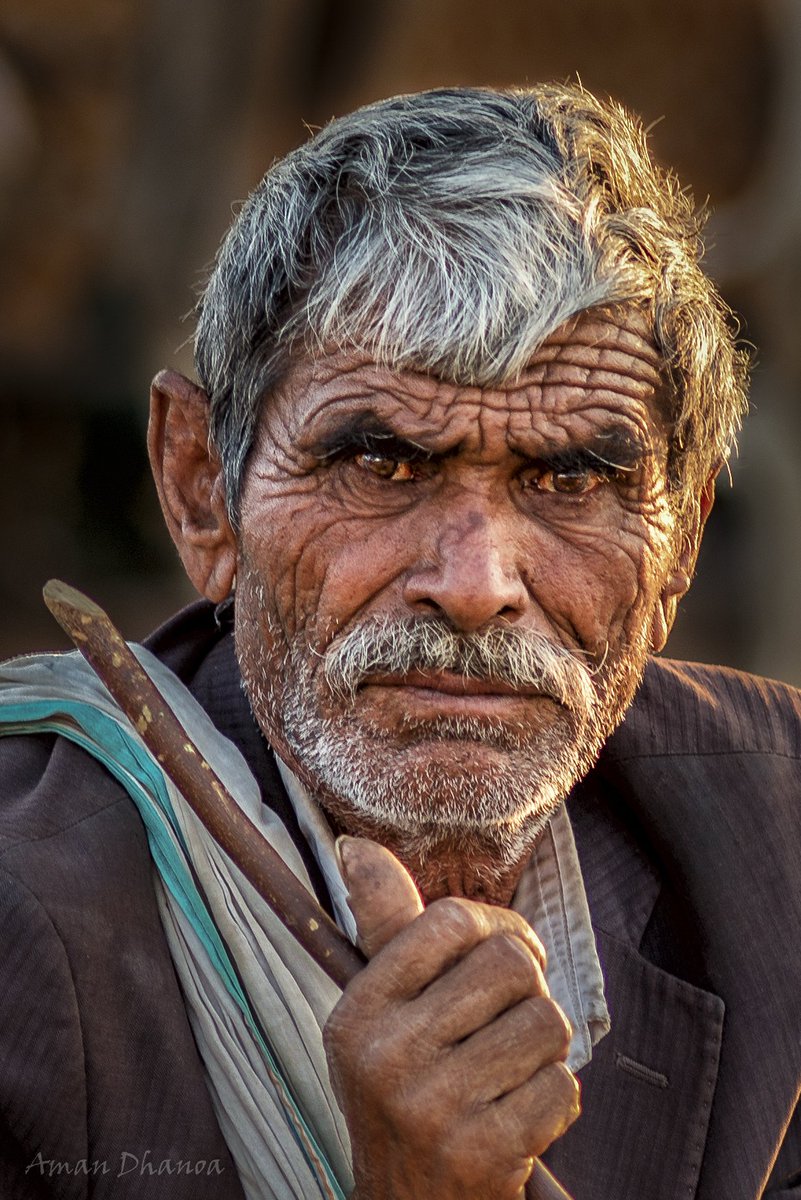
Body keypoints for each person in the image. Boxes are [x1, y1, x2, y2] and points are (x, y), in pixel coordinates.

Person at [1, 83, 799, 1200]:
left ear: (678, 551)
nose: (475, 587)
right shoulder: (19, 922)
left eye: (571, 478)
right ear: (202, 492)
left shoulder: (783, 846)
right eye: (382, 465)